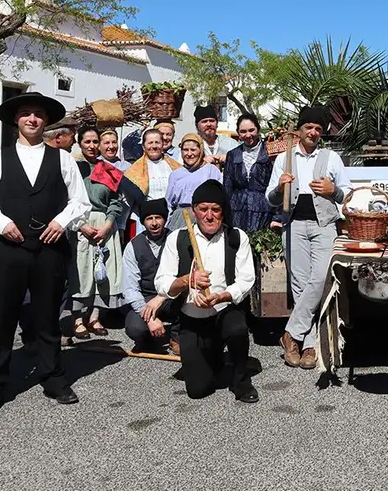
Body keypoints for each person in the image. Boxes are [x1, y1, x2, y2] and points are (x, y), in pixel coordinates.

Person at [0, 92, 91, 417]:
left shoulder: (63, 159)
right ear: (16, 120)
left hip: (49, 250)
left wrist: (60, 222)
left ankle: (52, 377)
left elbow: (80, 202)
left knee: (47, 319)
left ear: (45, 121)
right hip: (8, 250)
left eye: (38, 114)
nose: (32, 119)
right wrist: (2, 223)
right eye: (26, 114)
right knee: (2, 319)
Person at [154, 180, 258, 403]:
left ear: (223, 212)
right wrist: (186, 280)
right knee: (198, 390)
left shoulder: (237, 237)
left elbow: (247, 279)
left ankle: (241, 381)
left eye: (216, 209)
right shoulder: (178, 238)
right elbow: (161, 282)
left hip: (224, 310)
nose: (209, 216)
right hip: (192, 318)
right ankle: (213, 358)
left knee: (238, 327)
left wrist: (222, 296)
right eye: (203, 209)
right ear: (194, 211)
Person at [267, 106, 352, 369]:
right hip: (293, 224)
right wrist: (281, 186)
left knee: (320, 279)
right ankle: (307, 345)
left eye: (317, 129)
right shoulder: (285, 158)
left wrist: (333, 190)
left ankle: (290, 333)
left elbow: (348, 195)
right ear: (300, 130)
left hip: (324, 224)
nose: (313, 132)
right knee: (300, 284)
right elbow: (269, 198)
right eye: (308, 128)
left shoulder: (331, 157)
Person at [70, 126, 129, 339]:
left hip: (104, 225)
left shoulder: (108, 169)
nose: (92, 146)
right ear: (79, 143)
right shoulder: (73, 168)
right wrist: (81, 225)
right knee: (82, 270)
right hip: (81, 224)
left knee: (102, 272)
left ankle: (95, 316)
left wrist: (107, 224)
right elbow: (66, 200)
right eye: (87, 142)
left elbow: (116, 202)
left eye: (96, 142)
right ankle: (77, 319)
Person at [121, 199, 177, 353]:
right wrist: (150, 318)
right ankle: (149, 339)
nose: (154, 223)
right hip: (146, 298)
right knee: (134, 327)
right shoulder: (133, 246)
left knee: (188, 305)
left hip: (172, 296)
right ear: (143, 222)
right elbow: (130, 288)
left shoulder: (176, 240)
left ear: (165, 219)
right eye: (149, 218)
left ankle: (176, 337)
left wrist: (165, 296)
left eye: (158, 217)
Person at [224, 112, 274, 232]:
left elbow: (277, 185)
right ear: (238, 132)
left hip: (263, 210)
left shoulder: (270, 152)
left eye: (251, 130)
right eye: (243, 131)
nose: (248, 135)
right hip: (237, 211)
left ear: (258, 129)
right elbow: (227, 186)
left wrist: (277, 216)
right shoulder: (232, 154)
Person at [165, 133, 224, 231]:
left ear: (200, 151)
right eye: (185, 150)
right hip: (180, 218)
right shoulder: (175, 174)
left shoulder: (211, 171)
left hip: (204, 216)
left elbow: (220, 198)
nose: (189, 154)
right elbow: (169, 204)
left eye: (193, 150)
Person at [125, 128, 182, 203]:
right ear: (143, 146)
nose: (154, 146)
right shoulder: (134, 171)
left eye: (157, 142)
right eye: (150, 143)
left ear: (162, 144)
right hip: (146, 211)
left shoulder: (175, 166)